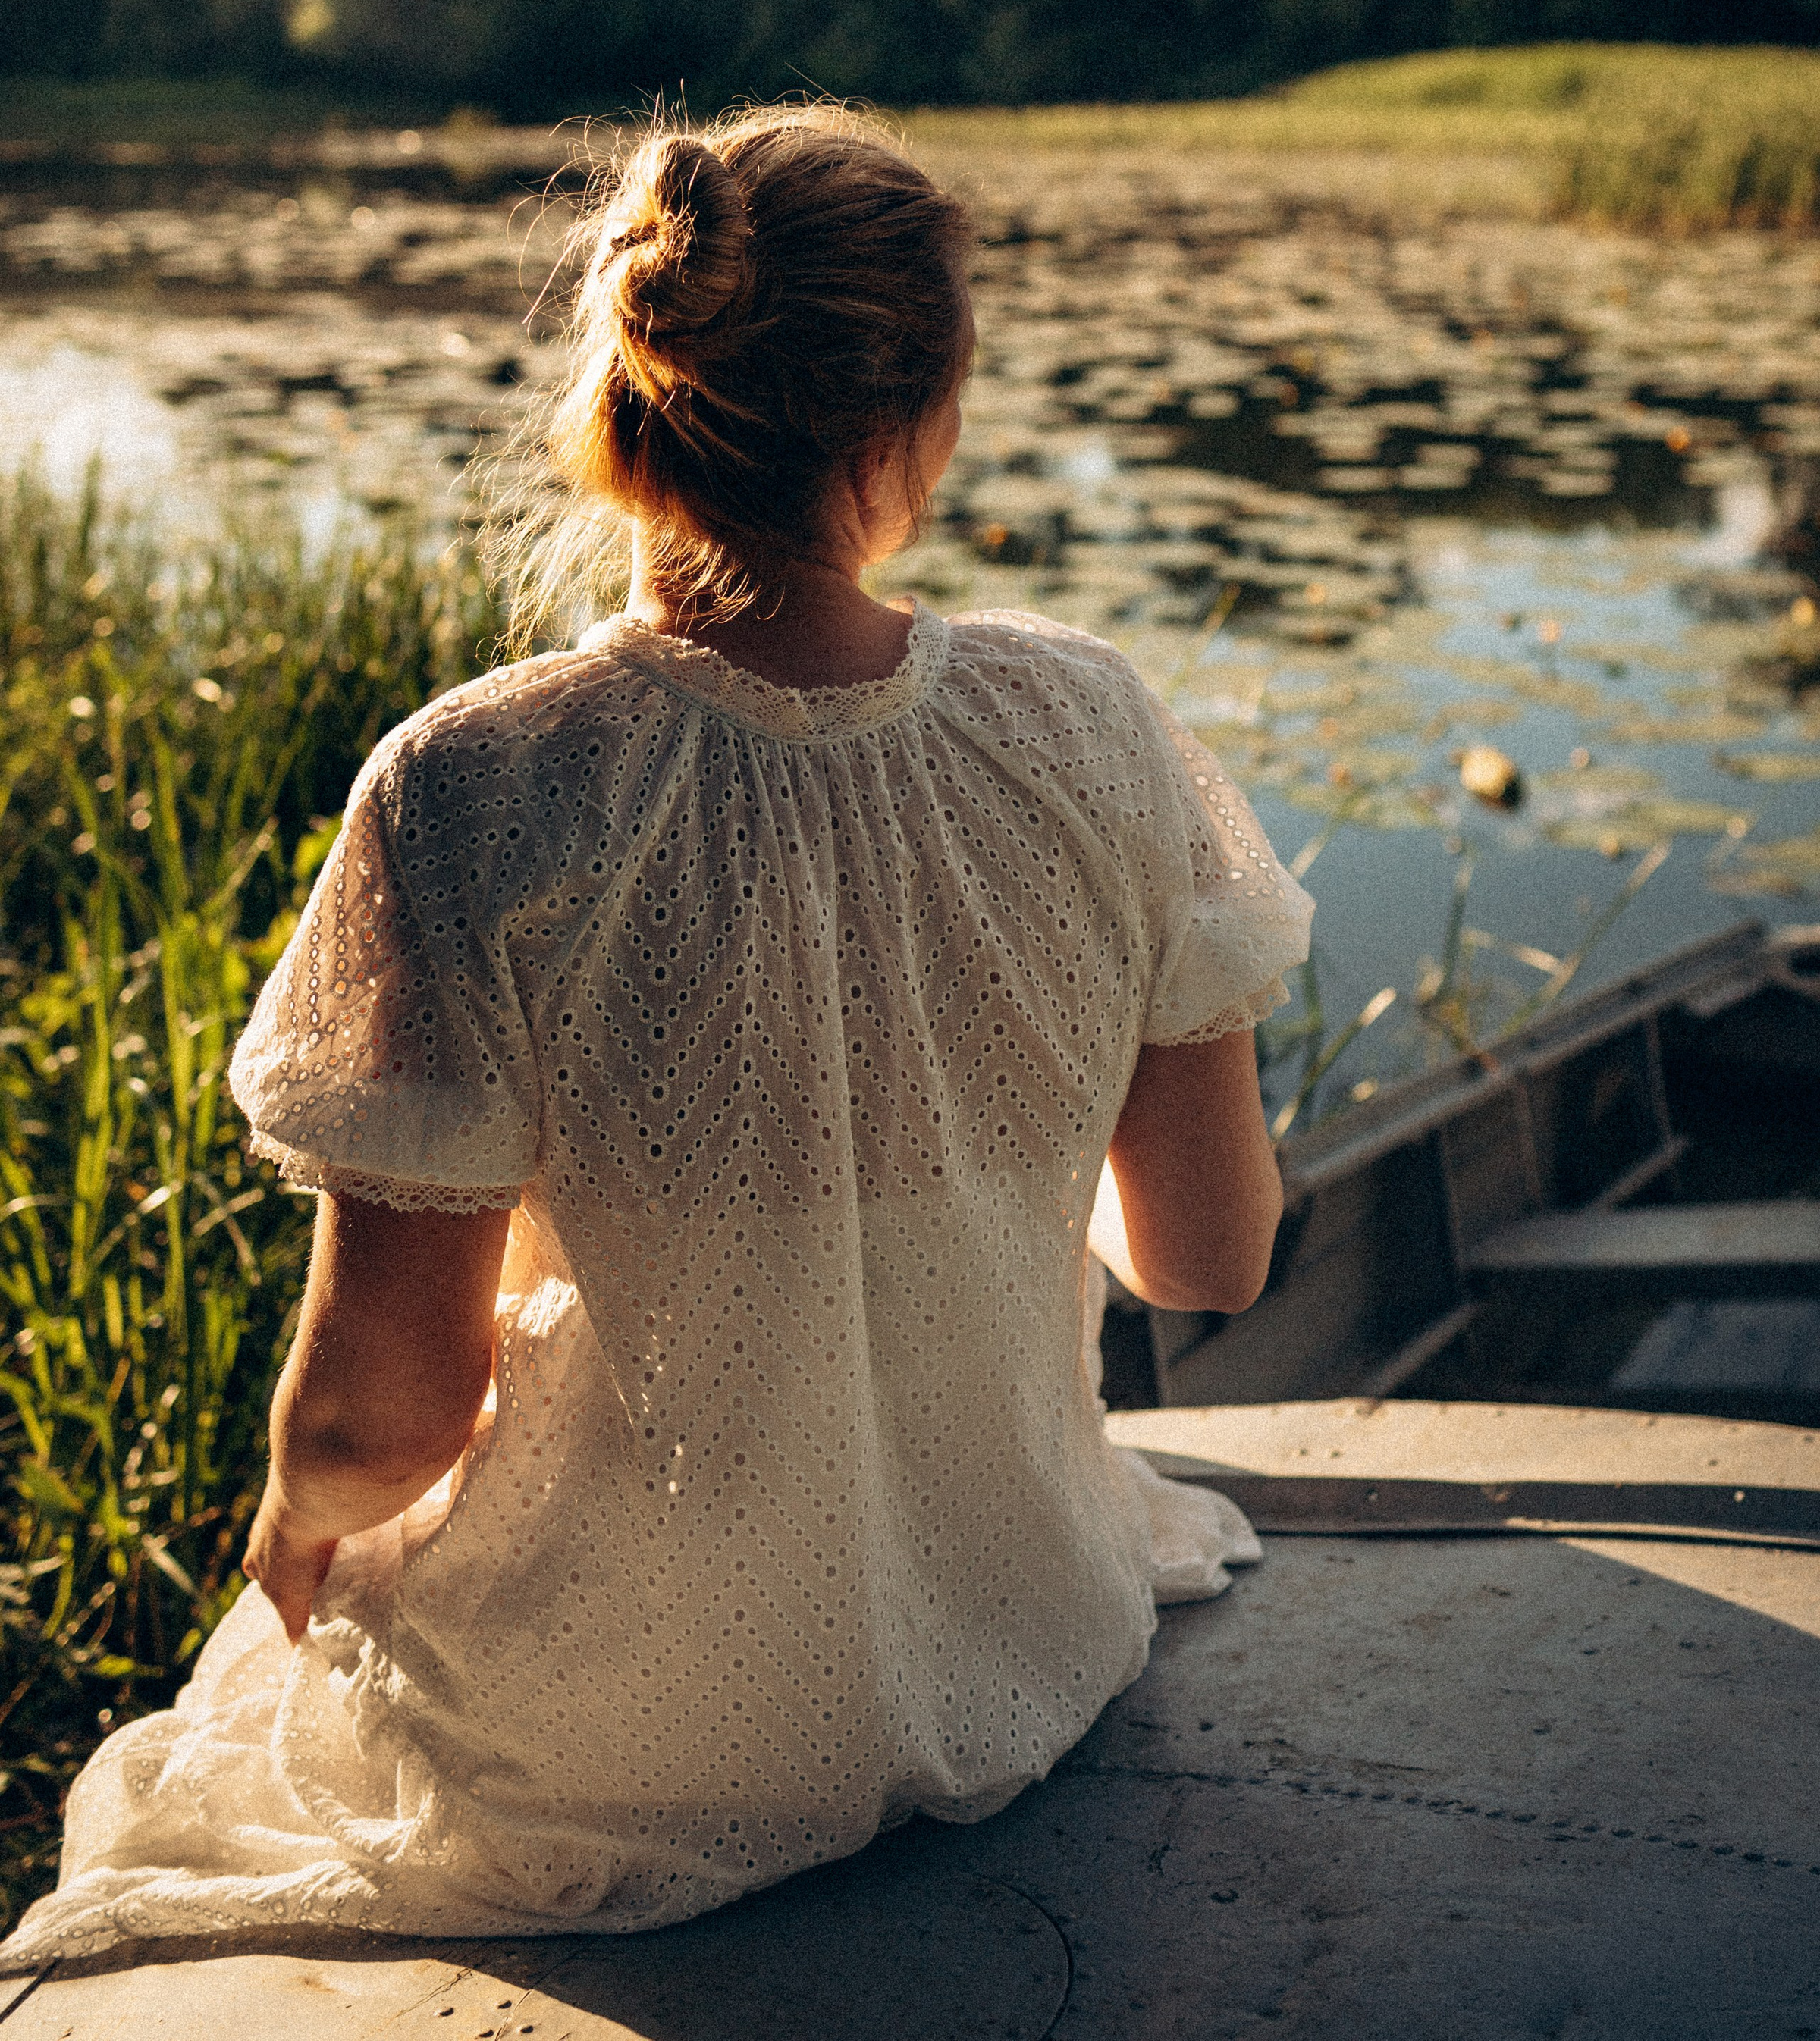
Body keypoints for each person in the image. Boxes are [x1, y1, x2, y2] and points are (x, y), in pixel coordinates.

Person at [4, 104, 1310, 1961]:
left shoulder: (472, 786)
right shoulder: (1093, 724)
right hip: (1020, 1644)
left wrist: (296, 1524)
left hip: (609, 1750)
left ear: (633, 385)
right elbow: (1208, 1254)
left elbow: (385, 1413)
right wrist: (983, 1157)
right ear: (913, 419)